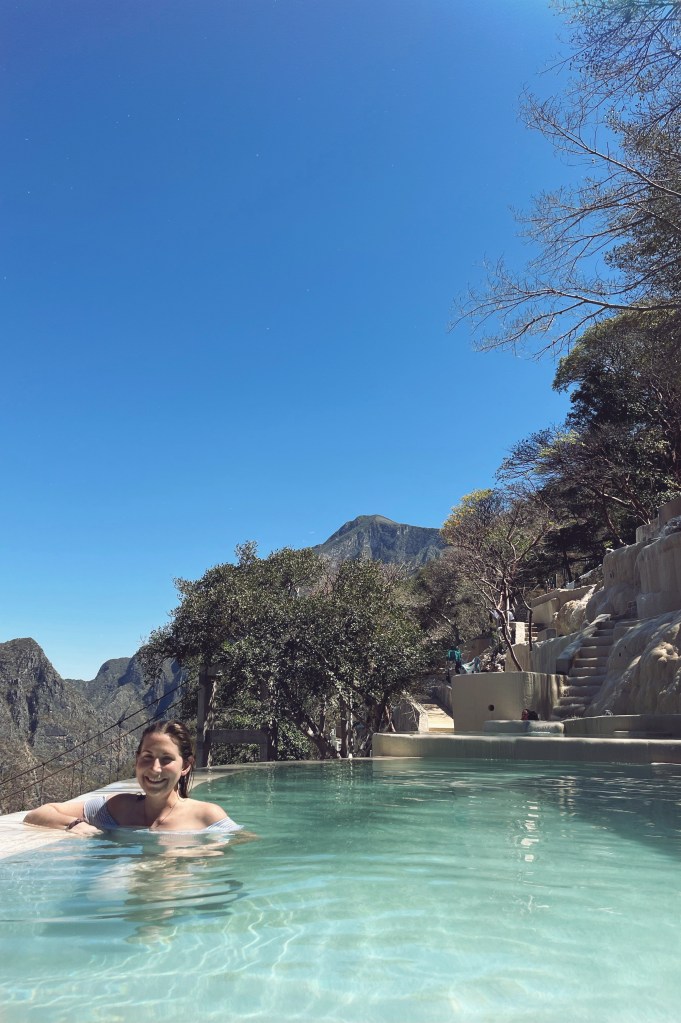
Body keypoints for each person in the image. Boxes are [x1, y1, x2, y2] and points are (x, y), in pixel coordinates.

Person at [23, 720, 243, 837]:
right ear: (137, 760)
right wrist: (75, 824)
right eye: (147, 757)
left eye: (166, 759)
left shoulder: (207, 817)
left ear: (185, 766)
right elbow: (37, 814)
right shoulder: (115, 808)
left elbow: (247, 849)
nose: (155, 769)